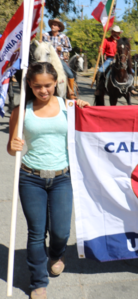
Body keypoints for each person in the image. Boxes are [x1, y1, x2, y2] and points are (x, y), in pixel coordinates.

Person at [7, 62, 90, 299]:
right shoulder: (20, 111)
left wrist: (83, 107)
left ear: (57, 83)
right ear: (29, 86)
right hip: (30, 178)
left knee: (61, 231)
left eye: (48, 85)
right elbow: (11, 150)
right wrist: (13, 146)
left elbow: (92, 126)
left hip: (62, 178)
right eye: (37, 86)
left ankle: (56, 253)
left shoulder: (68, 107)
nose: (43, 91)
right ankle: (38, 282)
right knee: (35, 232)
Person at [42, 18, 76, 99]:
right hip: (47, 59)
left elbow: (69, 48)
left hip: (59, 59)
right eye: (52, 24)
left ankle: (71, 92)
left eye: (55, 25)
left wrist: (62, 49)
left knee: (70, 74)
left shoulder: (63, 36)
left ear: (59, 28)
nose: (52, 26)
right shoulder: (45, 35)